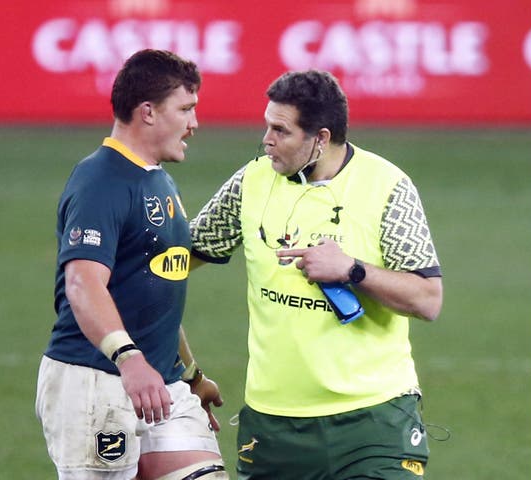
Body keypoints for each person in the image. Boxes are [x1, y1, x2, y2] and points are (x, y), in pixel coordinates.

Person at [190, 70, 443, 479]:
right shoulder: (251, 182)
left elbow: (428, 299)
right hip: (273, 425)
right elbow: (178, 260)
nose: (266, 140)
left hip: (373, 422)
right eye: (266, 126)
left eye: (281, 130)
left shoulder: (388, 187)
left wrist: (353, 270)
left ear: (320, 138)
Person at [36, 49, 228, 480]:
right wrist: (129, 359)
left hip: (161, 385)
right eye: (185, 109)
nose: (194, 124)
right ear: (147, 112)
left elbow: (153, 291)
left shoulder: (158, 179)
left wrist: (192, 376)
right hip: (95, 383)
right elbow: (84, 285)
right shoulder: (100, 181)